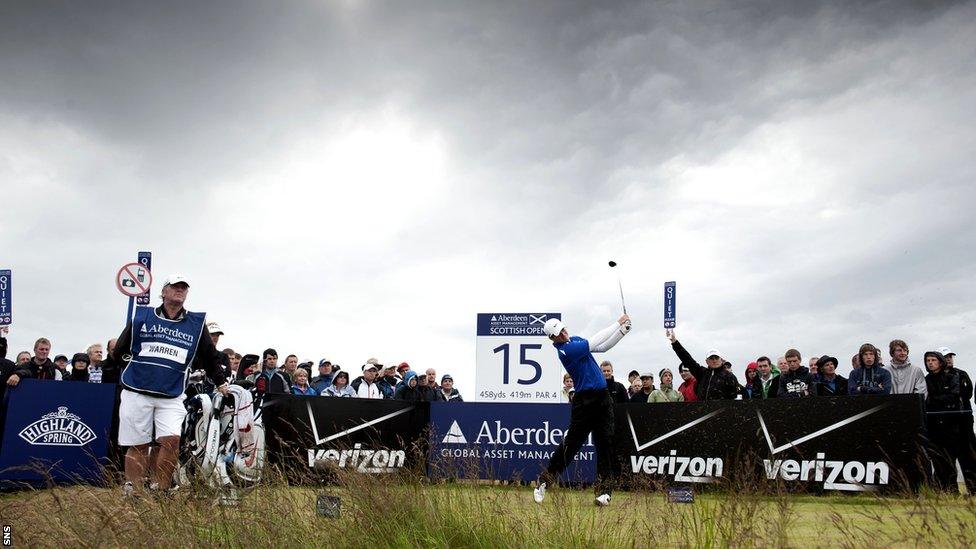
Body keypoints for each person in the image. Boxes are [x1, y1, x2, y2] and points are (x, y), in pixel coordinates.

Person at [107, 274, 228, 496]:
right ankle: (134, 490)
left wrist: (220, 382)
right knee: (139, 444)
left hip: (172, 394)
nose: (179, 290)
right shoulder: (143, 316)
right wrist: (137, 367)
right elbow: (120, 351)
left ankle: (161, 490)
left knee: (171, 441)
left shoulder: (196, 323)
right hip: (137, 391)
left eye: (184, 287)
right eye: (175, 287)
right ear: (163, 292)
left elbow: (210, 356)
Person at [534, 314, 631, 507]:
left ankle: (604, 493)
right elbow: (595, 340)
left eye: (563, 329)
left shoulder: (574, 340)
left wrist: (621, 332)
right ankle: (544, 481)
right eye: (559, 333)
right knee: (571, 445)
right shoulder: (565, 350)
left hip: (603, 398)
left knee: (605, 443)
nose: (564, 333)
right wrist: (617, 322)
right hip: (585, 402)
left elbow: (601, 347)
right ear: (553, 338)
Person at [923, 350, 973, 493]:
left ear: (940, 361)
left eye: (933, 360)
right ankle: (948, 490)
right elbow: (927, 401)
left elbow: (954, 396)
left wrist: (936, 400)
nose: (931, 363)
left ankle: (971, 489)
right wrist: (938, 400)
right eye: (928, 361)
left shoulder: (954, 375)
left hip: (955, 425)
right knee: (941, 459)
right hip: (935, 425)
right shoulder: (926, 379)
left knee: (964, 458)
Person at [937, 346, 975, 494]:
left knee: (969, 458)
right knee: (947, 459)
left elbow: (967, 394)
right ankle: (950, 490)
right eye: (945, 356)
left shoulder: (961, 374)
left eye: (950, 356)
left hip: (964, 423)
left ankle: (973, 490)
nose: (948, 359)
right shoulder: (934, 377)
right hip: (945, 426)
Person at [666, 331, 737, 401]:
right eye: (711, 358)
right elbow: (687, 359)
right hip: (703, 411)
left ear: (721, 360)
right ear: (706, 361)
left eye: (716, 358)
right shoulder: (702, 373)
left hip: (722, 411)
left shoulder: (729, 376)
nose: (714, 361)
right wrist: (674, 342)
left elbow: (734, 398)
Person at [1, 332, 30, 401]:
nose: (25, 361)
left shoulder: (31, 371)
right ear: (17, 362)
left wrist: (18, 375)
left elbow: (28, 371)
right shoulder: (11, 368)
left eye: (28, 359)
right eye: (23, 359)